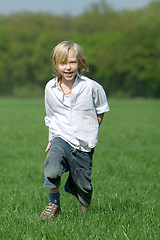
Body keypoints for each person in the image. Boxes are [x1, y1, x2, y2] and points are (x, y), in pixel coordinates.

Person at [40, 41, 110, 220]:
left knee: (83, 186)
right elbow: (51, 116)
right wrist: (51, 138)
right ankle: (54, 204)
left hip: (84, 143)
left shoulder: (92, 87)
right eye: (63, 63)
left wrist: (90, 130)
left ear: (80, 62)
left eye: (72, 62)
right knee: (52, 168)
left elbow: (100, 110)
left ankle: (84, 220)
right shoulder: (50, 88)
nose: (68, 67)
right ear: (56, 65)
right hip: (60, 137)